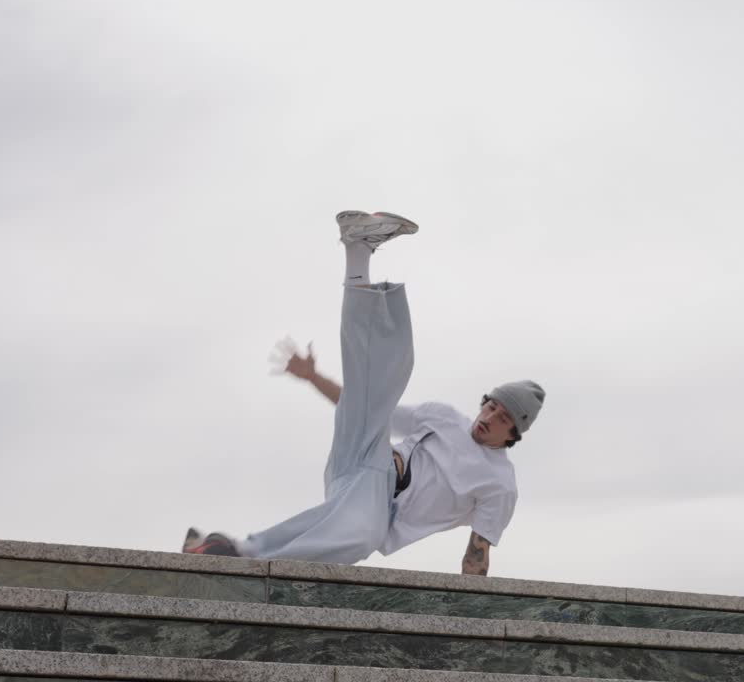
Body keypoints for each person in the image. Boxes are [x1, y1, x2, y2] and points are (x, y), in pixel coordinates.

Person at [183, 211, 545, 576]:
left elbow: (476, 555)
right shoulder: (445, 417)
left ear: (513, 434)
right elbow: (367, 404)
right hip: (372, 457)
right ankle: (357, 250)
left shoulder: (500, 484)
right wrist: (313, 378)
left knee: (357, 533)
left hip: (375, 500)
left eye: (503, 419)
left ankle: (232, 552)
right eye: (491, 407)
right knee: (387, 377)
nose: (489, 418)